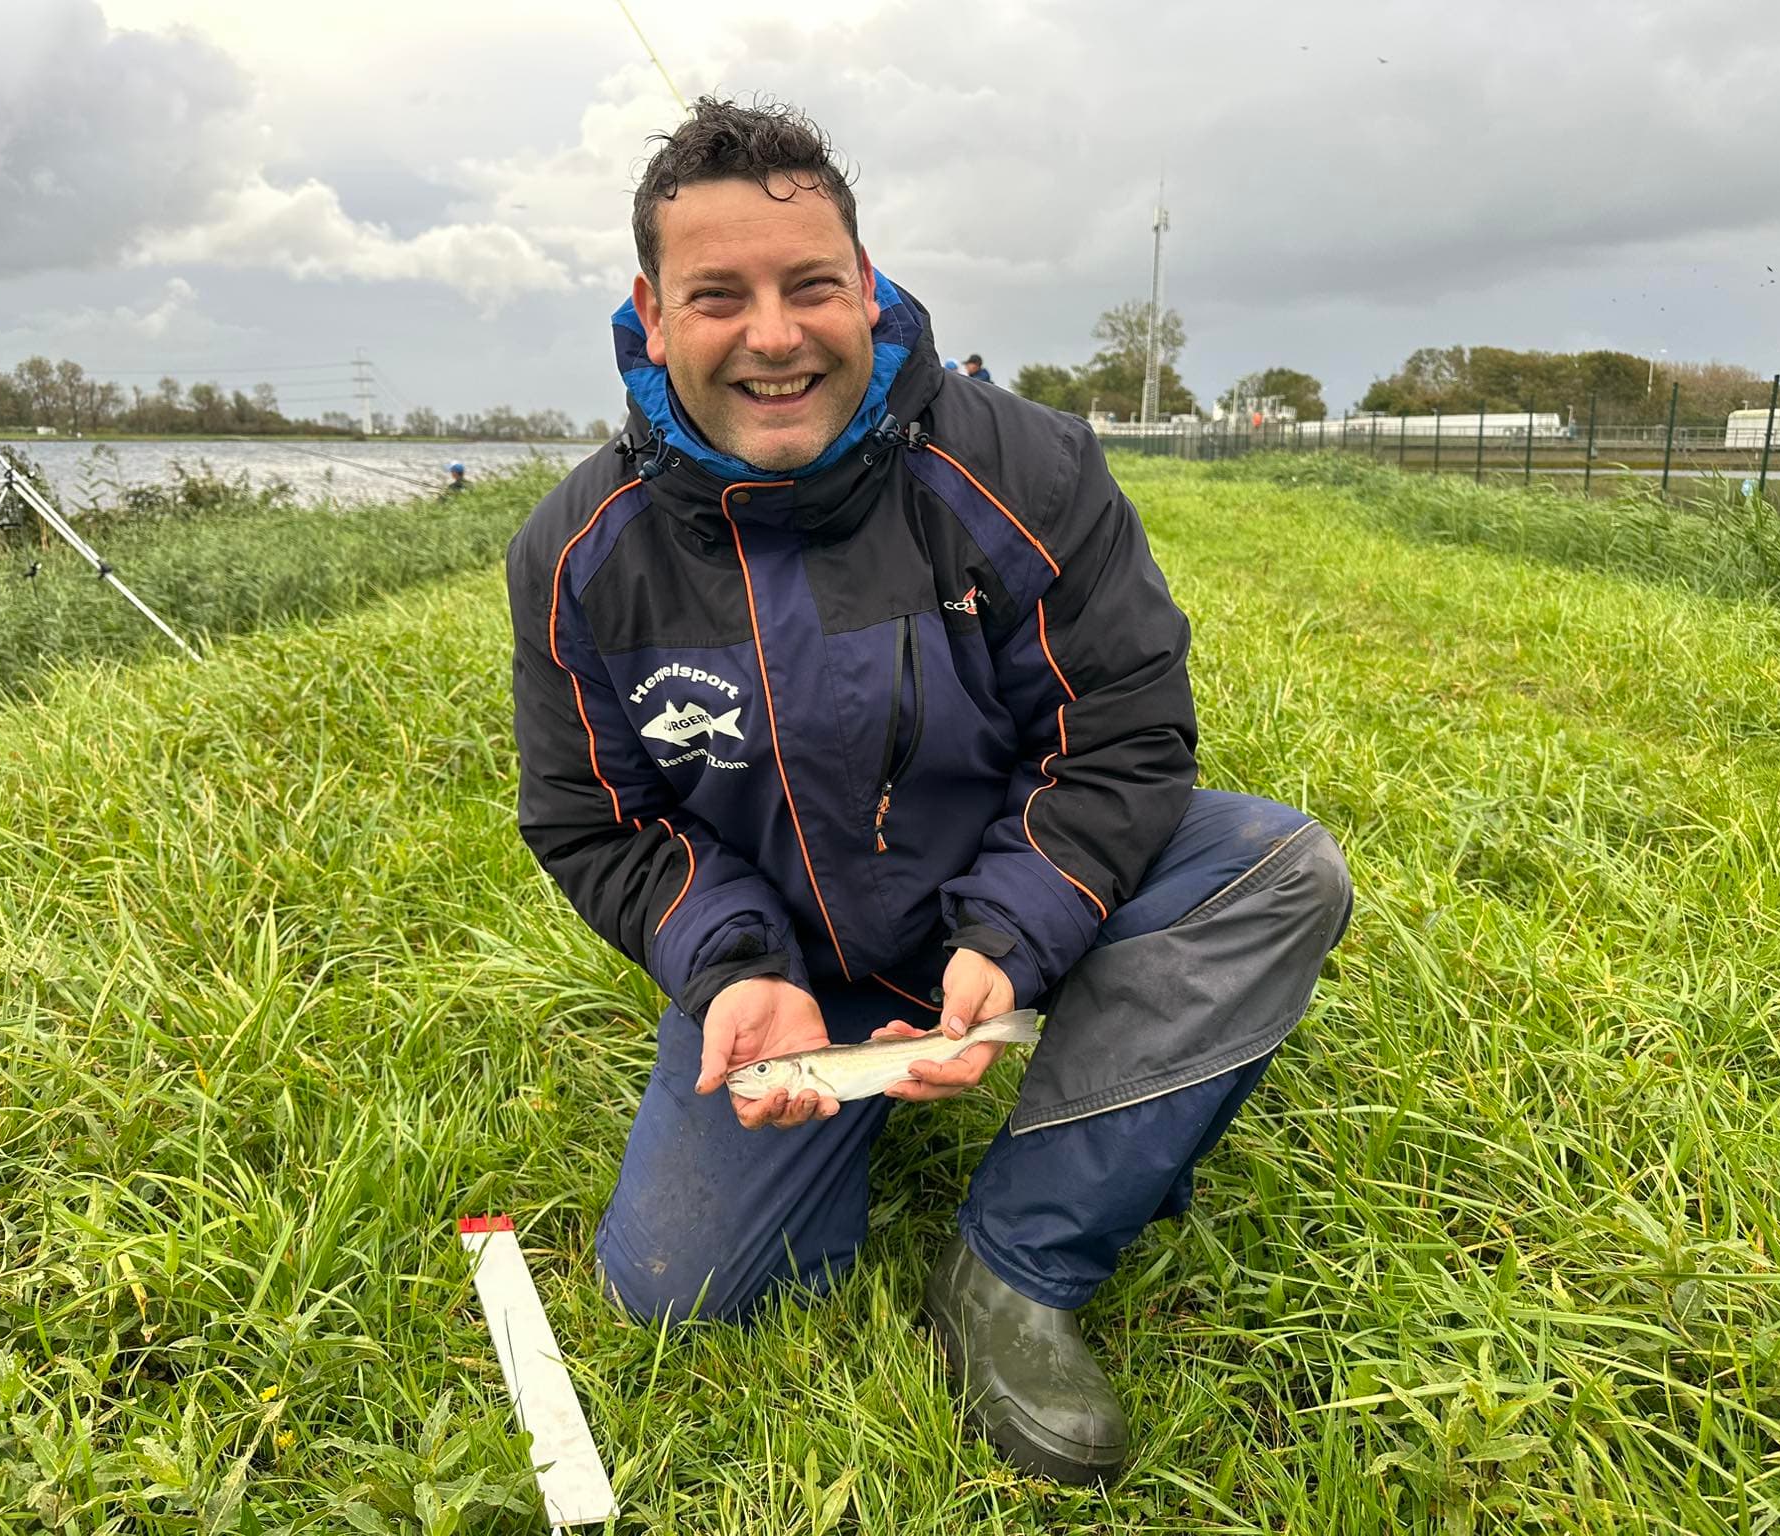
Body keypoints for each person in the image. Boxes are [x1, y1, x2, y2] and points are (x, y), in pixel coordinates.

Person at [506, 97, 1351, 1485]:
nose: (773, 334)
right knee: (686, 1290)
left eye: (809, 285)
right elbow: (596, 819)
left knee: (1279, 874)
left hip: (1009, 905)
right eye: (720, 296)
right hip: (792, 960)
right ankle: (850, 1083)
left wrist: (1011, 932)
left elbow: (1125, 732)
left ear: (866, 282)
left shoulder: (1028, 466)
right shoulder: (577, 552)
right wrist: (729, 972)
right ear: (652, 317)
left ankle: (1015, 1262)